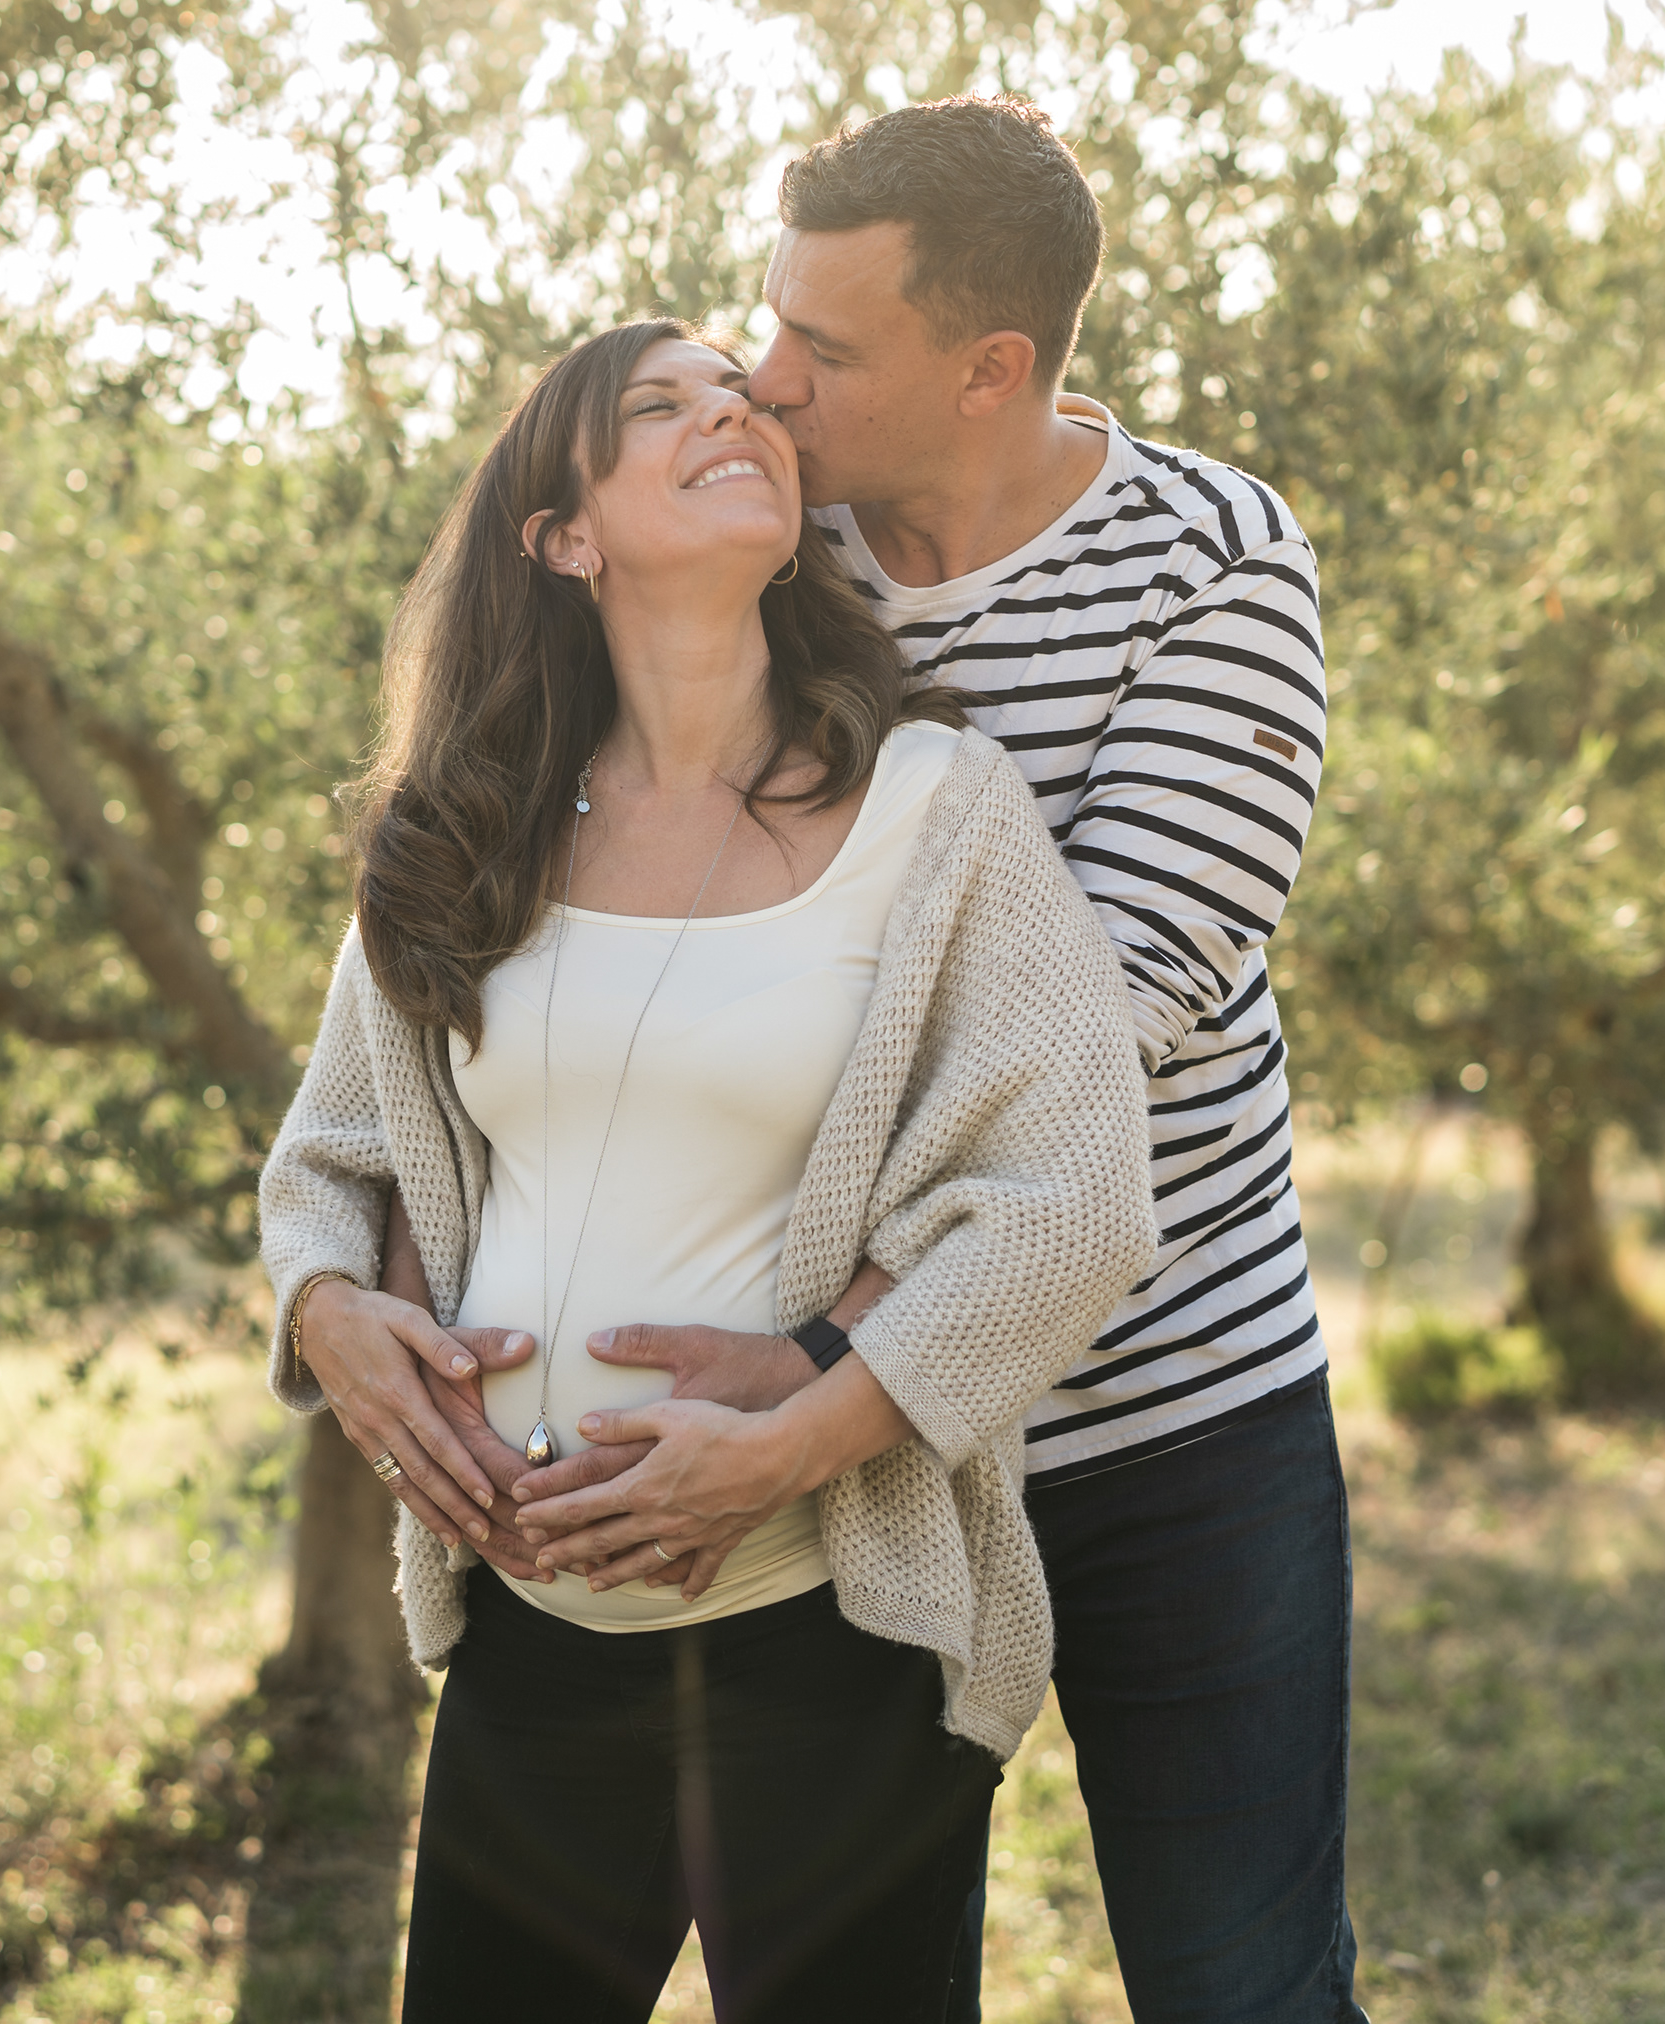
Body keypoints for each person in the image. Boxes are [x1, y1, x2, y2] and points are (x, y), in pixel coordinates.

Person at [462, 100, 1366, 2021]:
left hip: (1162, 1419)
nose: (767, 388)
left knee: (1244, 1989)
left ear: (993, 370)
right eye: (764, 325)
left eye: (827, 354)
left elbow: (1099, 1028)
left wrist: (833, 1363)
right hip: (838, 1483)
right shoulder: (779, 562)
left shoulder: (1212, 563)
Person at [261, 318, 1158, 2022]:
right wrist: (332, 1319)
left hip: (822, 1628)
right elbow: (338, 1154)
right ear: (564, 536)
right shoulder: (465, 826)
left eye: (736, 394)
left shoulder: (936, 806)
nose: (727, 410)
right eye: (657, 407)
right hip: (529, 1642)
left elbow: (1074, 1197)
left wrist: (783, 1449)